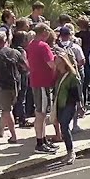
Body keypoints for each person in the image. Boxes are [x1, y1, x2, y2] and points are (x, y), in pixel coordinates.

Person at [0, 31, 25, 143]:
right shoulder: (15, 52)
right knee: (6, 109)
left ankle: (13, 136)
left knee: (7, 110)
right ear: (6, 40)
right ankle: (1, 131)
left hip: (3, 87)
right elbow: (25, 66)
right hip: (16, 85)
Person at [25, 24, 58, 153]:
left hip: (36, 81)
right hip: (43, 83)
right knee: (41, 113)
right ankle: (40, 143)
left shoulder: (31, 45)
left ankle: (43, 140)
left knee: (41, 113)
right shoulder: (43, 46)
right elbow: (52, 65)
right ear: (44, 32)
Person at [51, 52, 82, 164]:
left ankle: (71, 152)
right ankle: (69, 152)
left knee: (64, 126)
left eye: (59, 62)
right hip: (60, 105)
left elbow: (76, 93)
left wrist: (80, 106)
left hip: (69, 104)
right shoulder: (58, 76)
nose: (57, 65)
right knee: (63, 128)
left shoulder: (71, 76)